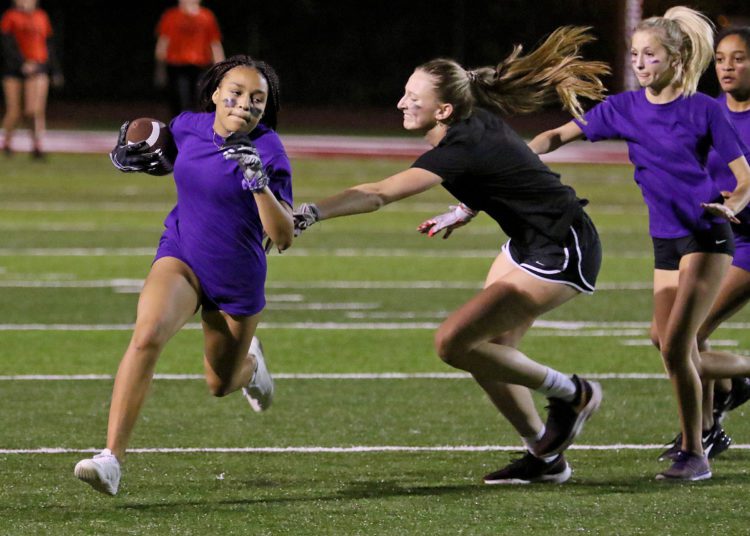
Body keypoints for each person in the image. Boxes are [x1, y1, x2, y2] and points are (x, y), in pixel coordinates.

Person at [294, 26, 609, 485]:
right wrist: (467, 207)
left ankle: (575, 394)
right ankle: (546, 460)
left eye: (413, 97)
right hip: (531, 243)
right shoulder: (466, 125)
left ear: (444, 109)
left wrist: (310, 212)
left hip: (563, 248)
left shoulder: (458, 145)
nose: (402, 103)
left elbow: (379, 194)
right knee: (489, 355)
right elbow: (511, 168)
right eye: (405, 93)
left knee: (455, 343)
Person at [529, 7, 750, 481]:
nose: (640, 63)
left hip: (707, 234)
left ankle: (696, 450)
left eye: (650, 55)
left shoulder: (704, 109)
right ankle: (716, 413)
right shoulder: (623, 108)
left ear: (676, 58)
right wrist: (514, 157)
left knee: (676, 344)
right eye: (635, 55)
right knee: (666, 341)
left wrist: (735, 204)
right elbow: (557, 134)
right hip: (665, 239)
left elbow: (743, 176)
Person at [73, 55, 294, 496]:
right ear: (215, 94)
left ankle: (251, 368)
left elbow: (283, 236)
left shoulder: (268, 150)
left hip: (235, 277)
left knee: (219, 383)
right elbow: (164, 152)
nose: (245, 104)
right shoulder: (190, 125)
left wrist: (257, 181)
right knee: (147, 333)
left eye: (257, 99)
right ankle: (111, 458)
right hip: (182, 252)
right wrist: (139, 150)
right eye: (235, 93)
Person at [657, 26, 750, 462]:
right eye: (721, 59)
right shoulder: (707, 110)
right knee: (671, 337)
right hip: (710, 236)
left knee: (683, 337)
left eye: (739, 58)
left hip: (746, 240)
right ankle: (709, 425)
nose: (728, 67)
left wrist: (735, 201)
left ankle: (708, 427)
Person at [1, 0, 62, 159]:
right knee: (14, 111)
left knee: (33, 110)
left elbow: (48, 44)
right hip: (14, 68)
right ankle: (6, 144)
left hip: (38, 66)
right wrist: (22, 63)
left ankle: (37, 145)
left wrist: (54, 70)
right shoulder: (10, 16)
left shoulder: (41, 16)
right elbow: (6, 44)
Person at [155, 0, 224, 118]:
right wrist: (159, 69)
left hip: (200, 66)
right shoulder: (171, 16)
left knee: (201, 100)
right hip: (176, 66)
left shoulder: (207, 16)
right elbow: (163, 42)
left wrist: (221, 69)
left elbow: (215, 43)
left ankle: (196, 129)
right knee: (180, 101)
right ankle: (179, 130)